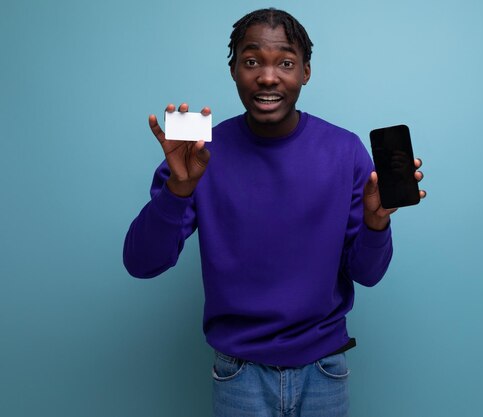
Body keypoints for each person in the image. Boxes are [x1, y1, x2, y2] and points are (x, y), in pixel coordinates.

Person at [123, 7, 426, 417]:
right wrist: (177, 191)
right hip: (239, 372)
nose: (268, 77)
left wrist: (377, 223)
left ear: (306, 72)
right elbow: (141, 263)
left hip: (325, 368)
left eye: (285, 62)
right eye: (251, 62)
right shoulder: (198, 151)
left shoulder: (344, 149)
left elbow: (368, 275)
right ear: (233, 70)